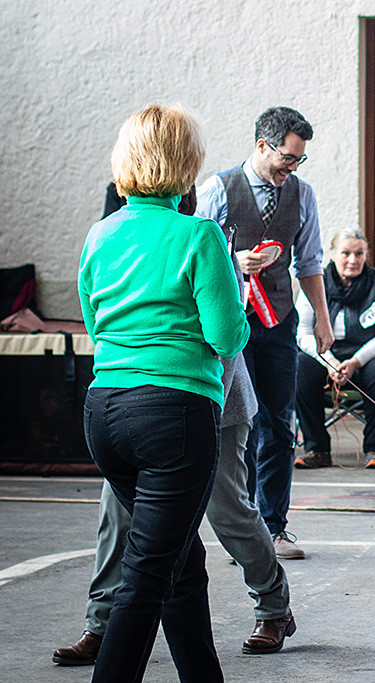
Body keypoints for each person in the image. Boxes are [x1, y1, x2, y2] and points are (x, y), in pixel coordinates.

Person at [55, 226, 294, 666]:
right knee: (118, 515)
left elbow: (226, 337)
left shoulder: (199, 238)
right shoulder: (124, 239)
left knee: (229, 512)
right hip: (148, 409)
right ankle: (100, 624)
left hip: (217, 404)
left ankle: (273, 607)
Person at [78, 104, 249, 681]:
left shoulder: (101, 234)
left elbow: (96, 324)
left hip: (104, 412)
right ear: (186, 164)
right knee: (147, 575)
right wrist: (241, 303)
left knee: (180, 558)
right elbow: (226, 337)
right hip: (172, 415)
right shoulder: (199, 235)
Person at [197, 107, 334, 561]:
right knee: (239, 424)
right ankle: (242, 531)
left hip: (278, 321)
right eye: (288, 158)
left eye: (299, 160)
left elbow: (310, 263)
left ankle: (274, 528)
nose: (291, 168)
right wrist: (234, 262)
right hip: (228, 323)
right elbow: (194, 254)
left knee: (279, 424)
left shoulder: (303, 194)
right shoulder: (216, 189)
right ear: (263, 146)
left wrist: (322, 318)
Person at [294, 227, 375, 469]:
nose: (353, 260)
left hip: (367, 355)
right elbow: (301, 333)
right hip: (325, 353)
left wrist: (356, 361)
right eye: (345, 253)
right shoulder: (315, 282)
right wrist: (329, 361)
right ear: (332, 255)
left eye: (359, 254)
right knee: (300, 365)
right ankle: (317, 448)